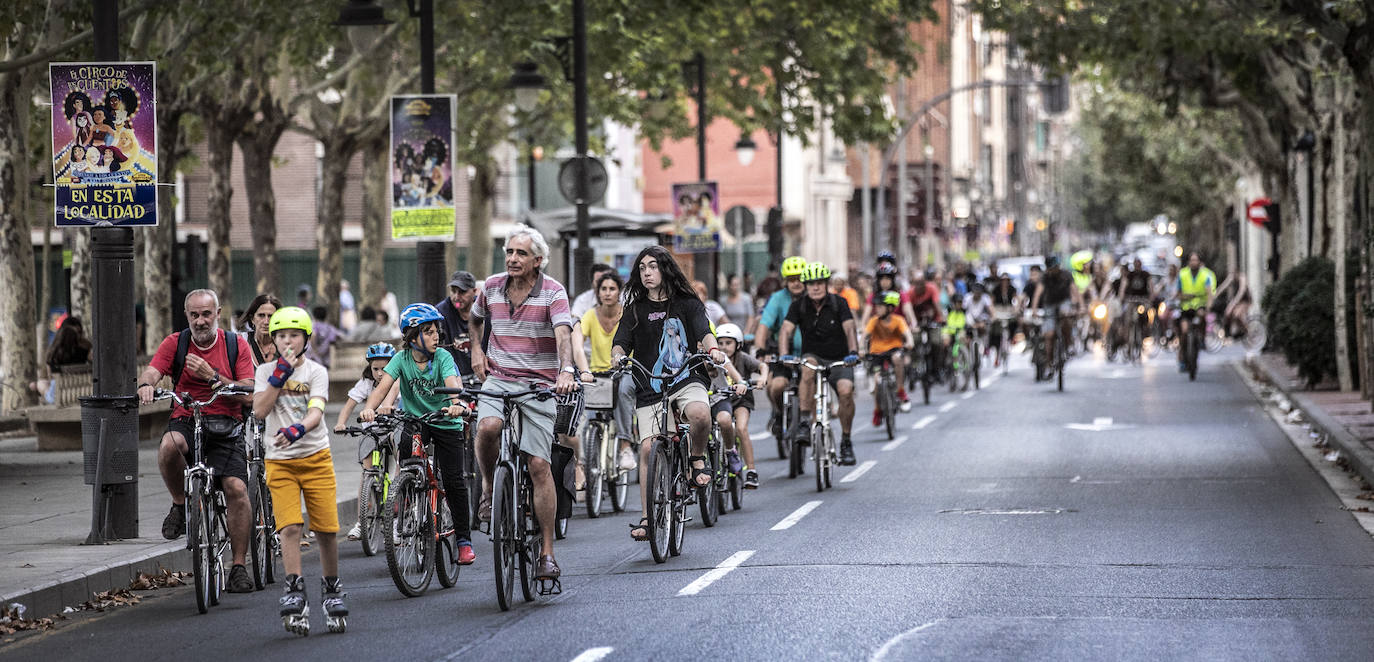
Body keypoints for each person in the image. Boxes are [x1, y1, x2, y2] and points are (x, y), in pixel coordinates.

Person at [468, 226, 576, 583]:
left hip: (540, 384)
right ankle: (487, 486)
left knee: (539, 465)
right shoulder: (492, 287)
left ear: (538, 261)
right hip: (499, 378)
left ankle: (547, 553)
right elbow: (475, 318)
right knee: (487, 427)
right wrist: (477, 350)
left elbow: (563, 333)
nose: (513, 259)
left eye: (521, 254)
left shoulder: (553, 292)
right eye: (509, 252)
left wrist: (566, 370)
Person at [137, 289, 256, 594]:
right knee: (168, 445)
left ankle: (239, 566)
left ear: (217, 314)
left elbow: (250, 393)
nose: (200, 321)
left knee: (236, 489)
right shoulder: (175, 343)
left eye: (206, 314)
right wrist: (146, 385)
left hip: (226, 425)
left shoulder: (235, 345)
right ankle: (179, 504)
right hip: (187, 418)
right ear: (187, 315)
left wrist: (213, 376)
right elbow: (152, 370)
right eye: (194, 315)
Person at [612, 245, 729, 541]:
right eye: (642, 268)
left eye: (653, 266)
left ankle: (696, 460)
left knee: (701, 415)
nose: (647, 272)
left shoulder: (687, 302)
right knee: (650, 448)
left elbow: (704, 330)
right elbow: (621, 341)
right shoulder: (634, 308)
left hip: (687, 375)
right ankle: (648, 518)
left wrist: (713, 349)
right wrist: (617, 356)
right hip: (650, 383)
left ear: (665, 269)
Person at [250, 307, 347, 635]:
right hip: (280, 463)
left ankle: (331, 588)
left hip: (316, 458)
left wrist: (298, 430)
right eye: (280, 336)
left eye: (293, 335)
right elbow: (260, 411)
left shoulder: (316, 372)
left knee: (326, 530)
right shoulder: (265, 372)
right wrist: (279, 375)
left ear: (306, 338)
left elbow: (317, 412)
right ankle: (294, 587)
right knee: (289, 528)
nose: (287, 341)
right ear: (273, 341)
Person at [359, 303, 475, 565]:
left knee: (455, 481)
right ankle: (411, 497)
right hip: (416, 422)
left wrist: (456, 405)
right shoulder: (402, 359)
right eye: (429, 331)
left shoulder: (443, 358)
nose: (436, 336)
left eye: (437, 331)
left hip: (445, 422)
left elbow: (451, 386)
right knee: (407, 464)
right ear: (413, 337)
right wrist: (368, 409)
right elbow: (382, 388)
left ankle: (463, 541)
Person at [778, 261, 860, 465]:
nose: (815, 287)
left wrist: (853, 352)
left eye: (819, 283)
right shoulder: (799, 305)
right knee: (807, 367)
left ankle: (846, 442)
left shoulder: (839, 303)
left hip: (840, 359)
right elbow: (785, 331)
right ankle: (805, 421)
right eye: (811, 283)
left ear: (826, 284)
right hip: (813, 355)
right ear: (806, 286)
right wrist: (784, 354)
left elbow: (850, 329)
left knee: (846, 391)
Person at [571, 269, 639, 472]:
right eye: (603, 289)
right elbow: (578, 344)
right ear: (598, 292)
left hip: (626, 371)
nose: (607, 293)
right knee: (585, 413)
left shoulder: (628, 313)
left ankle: (625, 445)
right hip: (598, 374)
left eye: (612, 289)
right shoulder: (590, 316)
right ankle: (583, 463)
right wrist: (582, 369)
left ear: (619, 292)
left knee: (623, 389)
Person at [336, 343, 402, 542]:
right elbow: (350, 404)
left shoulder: (399, 381)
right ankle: (361, 522)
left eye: (385, 368)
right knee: (367, 473)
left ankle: (396, 526)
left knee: (399, 468)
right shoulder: (365, 383)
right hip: (372, 432)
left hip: (394, 429)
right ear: (369, 368)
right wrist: (340, 423)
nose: (381, 373)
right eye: (376, 369)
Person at [752, 255, 808, 442]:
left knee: (809, 387)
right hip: (782, 354)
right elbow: (763, 327)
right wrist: (760, 351)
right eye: (791, 279)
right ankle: (779, 413)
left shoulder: (812, 297)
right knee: (776, 386)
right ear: (785, 281)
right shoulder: (777, 299)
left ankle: (807, 422)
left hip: (808, 353)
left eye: (799, 278)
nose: (796, 283)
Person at [709, 323, 764, 489]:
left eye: (729, 343)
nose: (724, 347)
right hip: (718, 399)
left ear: (738, 344)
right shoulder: (712, 359)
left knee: (741, 429)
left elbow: (762, 366)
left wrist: (762, 379)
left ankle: (751, 472)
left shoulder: (742, 358)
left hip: (740, 401)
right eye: (721, 343)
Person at [864, 291, 913, 426]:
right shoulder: (874, 321)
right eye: (876, 306)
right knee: (876, 381)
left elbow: (908, 335)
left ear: (890, 308)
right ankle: (877, 410)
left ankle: (900, 390)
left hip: (894, 350)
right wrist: (861, 350)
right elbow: (865, 335)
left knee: (898, 359)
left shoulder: (898, 320)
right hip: (877, 353)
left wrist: (909, 342)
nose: (877, 309)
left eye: (880, 306)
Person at [1030, 255, 1082, 378]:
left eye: (1055, 267)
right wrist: (1034, 309)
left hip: (1064, 301)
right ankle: (1049, 364)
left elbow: (1075, 290)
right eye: (1051, 268)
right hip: (1049, 304)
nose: (1053, 270)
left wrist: (1082, 306)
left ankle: (1069, 344)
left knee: (1066, 316)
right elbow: (1038, 294)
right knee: (1049, 335)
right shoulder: (1044, 278)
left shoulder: (1066, 275)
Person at [33, 316, 92, 403]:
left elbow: (51, 378)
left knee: (39, 384)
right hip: (82, 393)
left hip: (58, 397)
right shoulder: (85, 350)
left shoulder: (52, 354)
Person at [1176, 252, 1216, 369]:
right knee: (1184, 331)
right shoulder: (1183, 274)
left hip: (1199, 306)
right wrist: (1186, 297)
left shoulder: (1205, 275)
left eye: (1196, 260)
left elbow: (1209, 293)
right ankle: (1183, 356)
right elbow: (1178, 294)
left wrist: (1208, 307)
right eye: (1191, 260)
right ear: (1189, 262)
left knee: (1201, 316)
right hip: (1186, 308)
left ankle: (1202, 339)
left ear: (1199, 262)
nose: (1194, 262)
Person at [436, 270, 478, 377]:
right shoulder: (441, 312)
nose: (456, 297)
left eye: (462, 292)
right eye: (453, 291)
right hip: (453, 375)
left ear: (474, 291)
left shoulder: (484, 309)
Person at [237, 294, 282, 367]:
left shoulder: (285, 344)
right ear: (252, 319)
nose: (266, 322)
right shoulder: (239, 342)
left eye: (271, 316)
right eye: (261, 315)